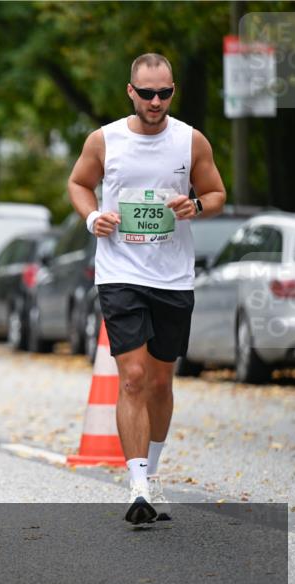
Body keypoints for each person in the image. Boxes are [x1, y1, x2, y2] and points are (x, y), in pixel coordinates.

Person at [67, 53, 226, 525]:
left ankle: (149, 476)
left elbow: (217, 193)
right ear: (130, 91)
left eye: (165, 93)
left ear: (172, 92)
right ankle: (137, 487)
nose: (156, 102)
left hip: (173, 277)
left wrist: (196, 205)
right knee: (132, 377)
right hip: (120, 274)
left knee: (160, 381)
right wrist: (94, 216)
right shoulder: (105, 140)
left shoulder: (190, 141)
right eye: (147, 93)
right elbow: (78, 183)